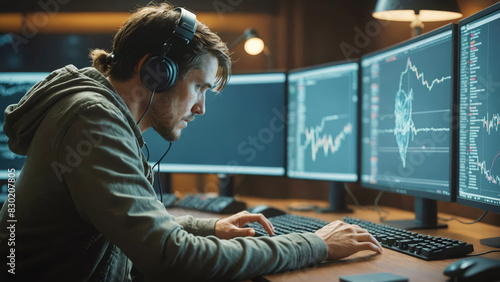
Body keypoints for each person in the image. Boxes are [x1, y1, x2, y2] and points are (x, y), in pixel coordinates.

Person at [0, 3, 382, 281]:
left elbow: (128, 225)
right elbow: (170, 258)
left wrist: (211, 229)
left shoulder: (92, 110)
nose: (200, 108)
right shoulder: (93, 121)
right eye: (199, 87)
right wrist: (315, 245)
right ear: (155, 72)